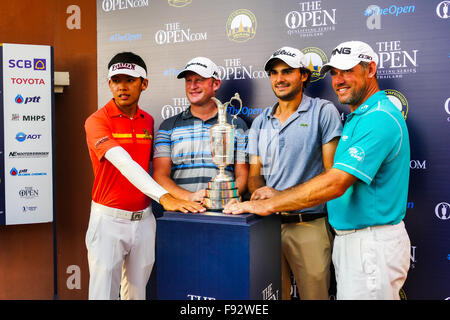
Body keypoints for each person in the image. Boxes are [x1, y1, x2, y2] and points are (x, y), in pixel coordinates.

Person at [224, 41, 411, 300]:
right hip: (353, 240)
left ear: (370, 70)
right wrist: (264, 200)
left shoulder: (377, 117)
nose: (339, 79)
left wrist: (270, 203)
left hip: (369, 241)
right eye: (334, 72)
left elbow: (334, 182)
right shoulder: (360, 116)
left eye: (347, 70)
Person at [84, 52, 204, 300]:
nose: (122, 86)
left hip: (144, 220)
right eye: (116, 80)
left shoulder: (147, 121)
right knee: (103, 295)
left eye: (129, 80)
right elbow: (123, 163)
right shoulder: (96, 121)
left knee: (138, 295)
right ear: (109, 84)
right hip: (108, 221)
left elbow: (153, 168)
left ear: (144, 83)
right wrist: (166, 197)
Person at [246, 47, 342, 300]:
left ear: (303, 75)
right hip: (266, 227)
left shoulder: (323, 111)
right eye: (274, 73)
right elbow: (255, 174)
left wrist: (280, 196)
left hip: (308, 224)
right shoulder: (260, 121)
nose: (279, 78)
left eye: (287, 71)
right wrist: (259, 193)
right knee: (268, 297)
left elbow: (332, 175)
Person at [153, 57, 248, 203]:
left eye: (199, 80)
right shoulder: (168, 126)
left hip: (225, 212)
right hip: (183, 213)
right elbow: (160, 176)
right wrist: (189, 197)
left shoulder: (237, 125)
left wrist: (225, 197)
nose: (192, 86)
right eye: (188, 80)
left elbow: (242, 175)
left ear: (216, 84)